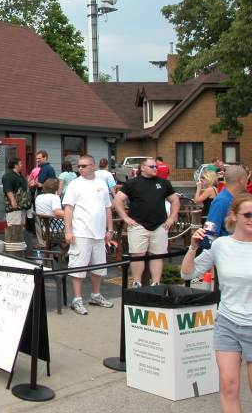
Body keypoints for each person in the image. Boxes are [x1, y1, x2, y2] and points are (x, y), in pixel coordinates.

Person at [181, 194, 252, 413]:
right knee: (228, 386)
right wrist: (193, 247)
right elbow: (189, 272)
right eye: (248, 214)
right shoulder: (221, 245)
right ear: (234, 216)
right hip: (227, 323)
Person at [113, 157, 180, 287]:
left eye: (156, 166)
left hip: (160, 225)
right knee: (137, 254)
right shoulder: (132, 183)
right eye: (152, 166)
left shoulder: (163, 182)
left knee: (157, 255)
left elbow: (175, 201)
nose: (155, 169)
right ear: (142, 168)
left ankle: (156, 283)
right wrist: (125, 217)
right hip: (138, 224)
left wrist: (172, 217)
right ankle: (137, 282)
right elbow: (118, 199)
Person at [62, 154, 115, 315]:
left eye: (84, 166)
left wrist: (110, 229)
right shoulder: (74, 184)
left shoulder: (101, 183)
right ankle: (77, 299)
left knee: (99, 267)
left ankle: (96, 295)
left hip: (99, 234)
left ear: (93, 166)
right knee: (78, 267)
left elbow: (107, 208)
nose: (80, 169)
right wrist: (68, 230)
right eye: (79, 166)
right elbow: (68, 209)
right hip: (81, 233)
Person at [203, 165, 248, 245]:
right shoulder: (222, 201)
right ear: (241, 180)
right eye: (246, 179)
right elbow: (209, 235)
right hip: (226, 253)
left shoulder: (232, 199)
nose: (247, 183)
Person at [2, 156, 30, 243]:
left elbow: (22, 187)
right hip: (13, 208)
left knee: (20, 227)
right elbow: (8, 190)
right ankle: (12, 249)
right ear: (15, 165)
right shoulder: (8, 176)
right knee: (13, 228)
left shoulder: (19, 175)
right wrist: (13, 201)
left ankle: (19, 248)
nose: (22, 165)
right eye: (20, 163)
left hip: (21, 206)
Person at [34, 178, 64, 246]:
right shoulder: (54, 197)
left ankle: (59, 251)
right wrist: (70, 213)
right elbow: (57, 212)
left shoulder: (38, 197)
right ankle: (65, 252)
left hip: (44, 230)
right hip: (56, 230)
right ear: (56, 187)